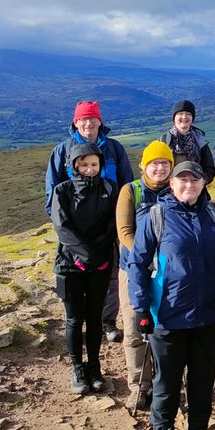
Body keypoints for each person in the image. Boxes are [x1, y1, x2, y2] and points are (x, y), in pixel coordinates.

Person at [128, 160, 215, 430]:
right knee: (167, 380)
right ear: (171, 184)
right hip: (167, 315)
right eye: (182, 180)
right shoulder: (155, 217)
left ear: (203, 184)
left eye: (194, 180)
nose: (189, 185)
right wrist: (142, 308)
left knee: (201, 379)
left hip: (208, 314)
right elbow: (138, 264)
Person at [46, 100, 134, 343]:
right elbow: (52, 191)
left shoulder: (114, 149)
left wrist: (121, 223)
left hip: (108, 228)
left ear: (100, 121)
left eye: (93, 118)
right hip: (75, 231)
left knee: (110, 274)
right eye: (83, 119)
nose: (88, 123)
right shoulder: (63, 151)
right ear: (75, 122)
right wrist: (60, 224)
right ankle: (76, 319)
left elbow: (127, 186)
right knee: (76, 272)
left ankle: (106, 321)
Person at [51, 142, 118, 395]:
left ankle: (95, 366)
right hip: (69, 265)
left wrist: (97, 256)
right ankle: (78, 367)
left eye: (94, 164)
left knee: (94, 318)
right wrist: (85, 255)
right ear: (73, 166)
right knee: (74, 319)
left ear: (100, 165)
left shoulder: (109, 189)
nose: (90, 169)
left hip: (100, 265)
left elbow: (112, 224)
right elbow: (62, 227)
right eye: (84, 165)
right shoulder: (62, 191)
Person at [114, 140, 173, 404]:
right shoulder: (131, 191)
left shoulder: (177, 190)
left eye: (165, 163)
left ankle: (163, 381)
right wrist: (146, 256)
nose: (159, 168)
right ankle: (139, 385)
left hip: (168, 272)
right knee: (135, 327)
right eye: (154, 163)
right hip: (133, 269)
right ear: (143, 166)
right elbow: (124, 231)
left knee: (165, 326)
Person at [161, 99, 215, 184]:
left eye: (188, 114)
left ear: (192, 118)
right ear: (174, 118)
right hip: (168, 192)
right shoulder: (163, 141)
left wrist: (198, 182)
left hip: (195, 193)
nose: (184, 117)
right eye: (180, 113)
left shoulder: (200, 142)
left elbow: (209, 170)